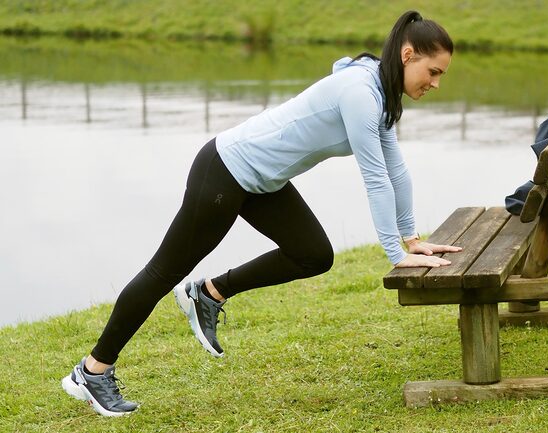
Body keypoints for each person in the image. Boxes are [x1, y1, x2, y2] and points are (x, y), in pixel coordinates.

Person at [61, 9, 460, 417]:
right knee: (163, 272)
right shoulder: (361, 92)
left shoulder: (383, 94)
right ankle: (92, 371)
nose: (435, 83)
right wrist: (394, 253)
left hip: (261, 183)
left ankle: (208, 293)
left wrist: (412, 239)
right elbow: (374, 177)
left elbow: (396, 169)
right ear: (408, 55)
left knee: (313, 254)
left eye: (441, 75)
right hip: (224, 171)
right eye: (433, 71)